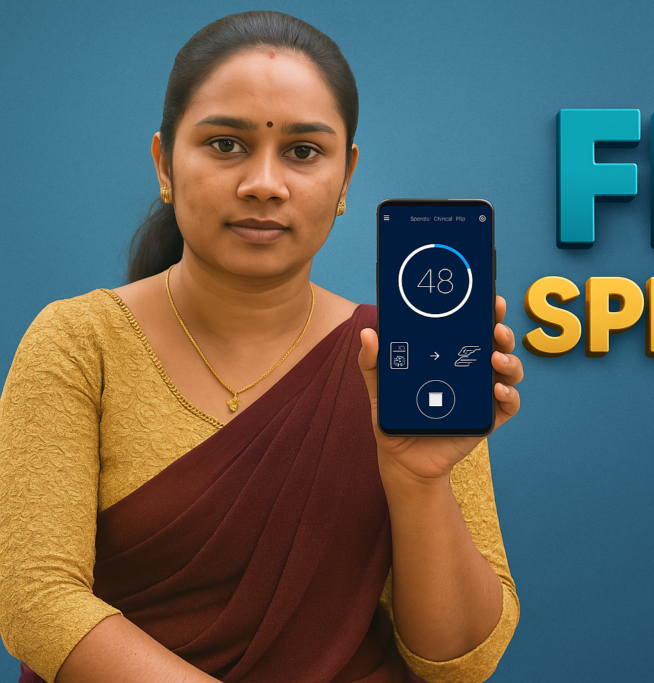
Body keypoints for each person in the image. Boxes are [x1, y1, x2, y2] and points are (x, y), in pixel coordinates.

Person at [0, 11, 522, 683]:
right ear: (164, 162)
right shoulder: (80, 342)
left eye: (303, 151)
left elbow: (462, 663)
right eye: (226, 144)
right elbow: (37, 601)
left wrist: (419, 482)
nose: (265, 183)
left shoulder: (398, 357)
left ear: (346, 176)